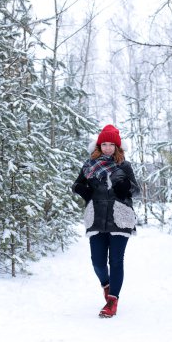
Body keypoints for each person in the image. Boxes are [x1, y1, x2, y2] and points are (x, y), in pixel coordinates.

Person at [72, 124, 140, 318]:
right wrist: (82, 190)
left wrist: (125, 187)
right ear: (99, 146)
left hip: (120, 218)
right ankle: (106, 284)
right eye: (104, 144)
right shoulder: (89, 165)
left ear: (117, 147)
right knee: (97, 262)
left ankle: (112, 301)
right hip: (97, 218)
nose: (108, 148)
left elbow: (136, 190)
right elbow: (77, 183)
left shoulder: (124, 166)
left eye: (112, 144)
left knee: (116, 261)